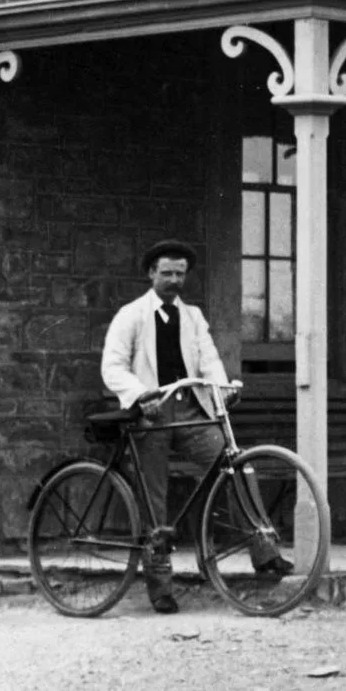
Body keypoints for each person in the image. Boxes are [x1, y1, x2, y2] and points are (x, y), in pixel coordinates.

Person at [99, 239, 284, 614]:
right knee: (154, 498)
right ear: (151, 274)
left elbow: (210, 359)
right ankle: (161, 587)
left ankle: (264, 552)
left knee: (236, 467)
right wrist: (140, 396)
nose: (173, 281)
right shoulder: (131, 315)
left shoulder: (193, 317)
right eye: (166, 273)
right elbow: (112, 367)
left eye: (179, 274)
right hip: (151, 414)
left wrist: (223, 388)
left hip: (190, 411)